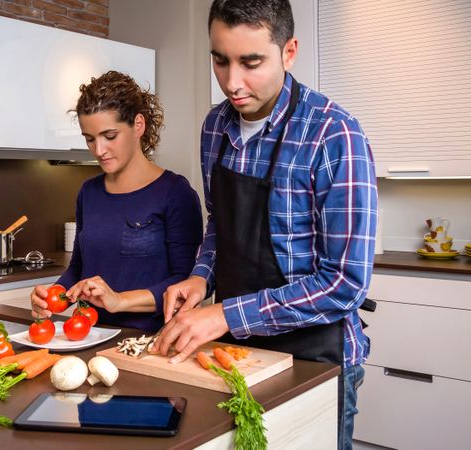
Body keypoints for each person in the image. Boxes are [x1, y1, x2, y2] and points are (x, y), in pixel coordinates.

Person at [153, 1, 377, 449]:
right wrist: (200, 279)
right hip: (237, 355)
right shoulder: (215, 127)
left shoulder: (334, 134)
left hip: (318, 358)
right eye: (220, 59)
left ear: (288, 51)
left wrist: (224, 313)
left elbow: (344, 284)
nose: (232, 83)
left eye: (251, 62)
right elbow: (220, 222)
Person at [30, 71, 203, 333]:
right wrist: (53, 296)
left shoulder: (175, 194)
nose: (99, 150)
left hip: (150, 341)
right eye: (90, 139)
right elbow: (78, 268)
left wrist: (119, 300)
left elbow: (183, 283)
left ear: (139, 125)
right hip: (89, 336)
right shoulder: (88, 192)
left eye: (109, 136)